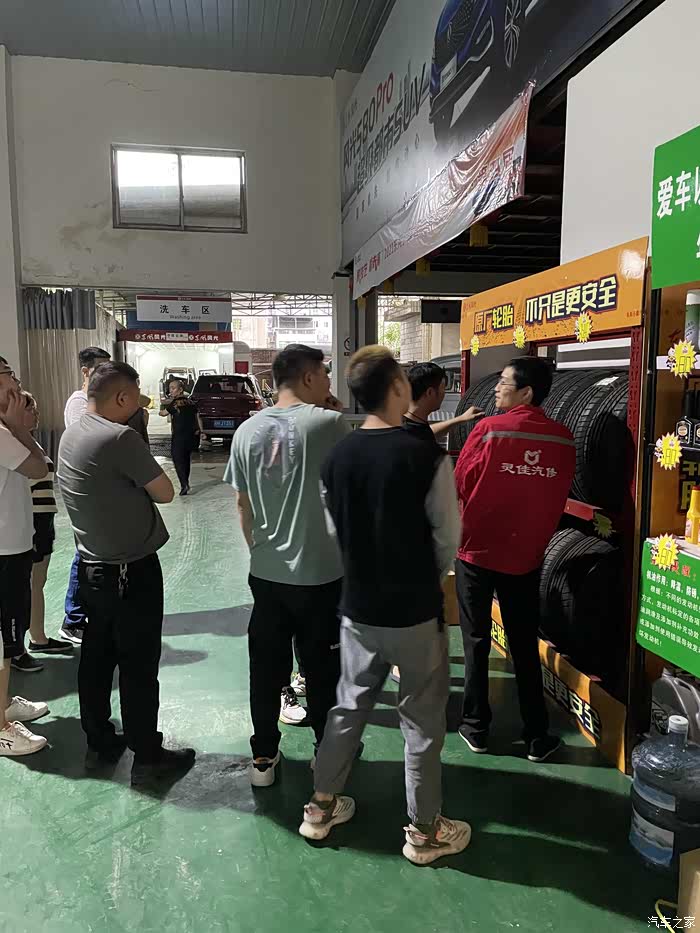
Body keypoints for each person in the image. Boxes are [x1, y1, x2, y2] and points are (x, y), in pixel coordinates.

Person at [299, 346, 470, 867]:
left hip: (358, 609)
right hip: (415, 612)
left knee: (347, 706)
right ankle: (424, 832)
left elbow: (336, 532)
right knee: (421, 722)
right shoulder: (425, 456)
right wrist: (422, 578)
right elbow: (448, 536)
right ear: (398, 389)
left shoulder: (337, 458)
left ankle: (320, 807)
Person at [57, 361, 195, 784]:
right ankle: (147, 753)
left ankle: (100, 740)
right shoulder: (120, 438)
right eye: (136, 398)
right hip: (129, 571)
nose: (142, 406)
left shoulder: (71, 433)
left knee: (97, 658)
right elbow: (165, 492)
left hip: (92, 567)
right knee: (138, 664)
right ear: (121, 397)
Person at [224, 344, 349, 788]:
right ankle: (326, 754)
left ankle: (263, 757)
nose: (329, 382)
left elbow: (242, 504)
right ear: (309, 377)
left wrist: (259, 551)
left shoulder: (246, 431)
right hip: (321, 574)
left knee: (265, 669)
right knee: (324, 671)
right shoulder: (330, 424)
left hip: (266, 574)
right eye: (326, 374)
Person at [454, 357, 576, 763]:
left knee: (475, 640)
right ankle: (537, 735)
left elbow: (462, 481)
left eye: (504, 382)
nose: (495, 388)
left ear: (526, 392)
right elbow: (559, 494)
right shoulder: (563, 439)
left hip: (476, 549)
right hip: (525, 556)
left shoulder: (489, 430)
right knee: (523, 643)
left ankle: (476, 727)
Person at [0, 357, 50, 756]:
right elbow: (38, 468)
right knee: (2, 641)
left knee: (6, 638)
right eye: (8, 380)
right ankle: (1, 727)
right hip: (2, 552)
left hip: (12, 548)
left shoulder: (6, 432)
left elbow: (41, 464)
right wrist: (18, 427)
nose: (16, 386)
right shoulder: (3, 434)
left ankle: (2, 705)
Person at [60, 345, 112, 645]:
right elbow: (91, 443)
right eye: (100, 368)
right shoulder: (79, 403)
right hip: (86, 491)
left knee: (91, 552)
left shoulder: (97, 402)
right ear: (85, 371)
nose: (105, 374)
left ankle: (83, 615)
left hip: (100, 490)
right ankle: (73, 620)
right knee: (84, 553)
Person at [23, 393, 73, 656]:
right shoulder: (15, 444)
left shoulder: (30, 442)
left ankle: (38, 637)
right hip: (31, 519)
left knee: (37, 582)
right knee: (29, 583)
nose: (36, 413)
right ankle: (21, 643)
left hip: (43, 519)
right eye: (29, 408)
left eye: (35, 408)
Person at [403, 361, 482, 446]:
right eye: (443, 389)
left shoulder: (406, 428)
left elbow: (427, 432)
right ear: (430, 392)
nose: (444, 394)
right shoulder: (415, 442)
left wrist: (461, 418)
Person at [159, 379, 201, 496]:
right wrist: (201, 431)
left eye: (173, 388)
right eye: (170, 388)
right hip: (191, 435)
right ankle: (185, 482)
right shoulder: (191, 402)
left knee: (178, 460)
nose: (171, 391)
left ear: (180, 389)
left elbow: (163, 413)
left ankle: (184, 484)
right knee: (186, 459)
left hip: (179, 436)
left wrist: (162, 406)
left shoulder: (174, 403)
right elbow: (197, 417)